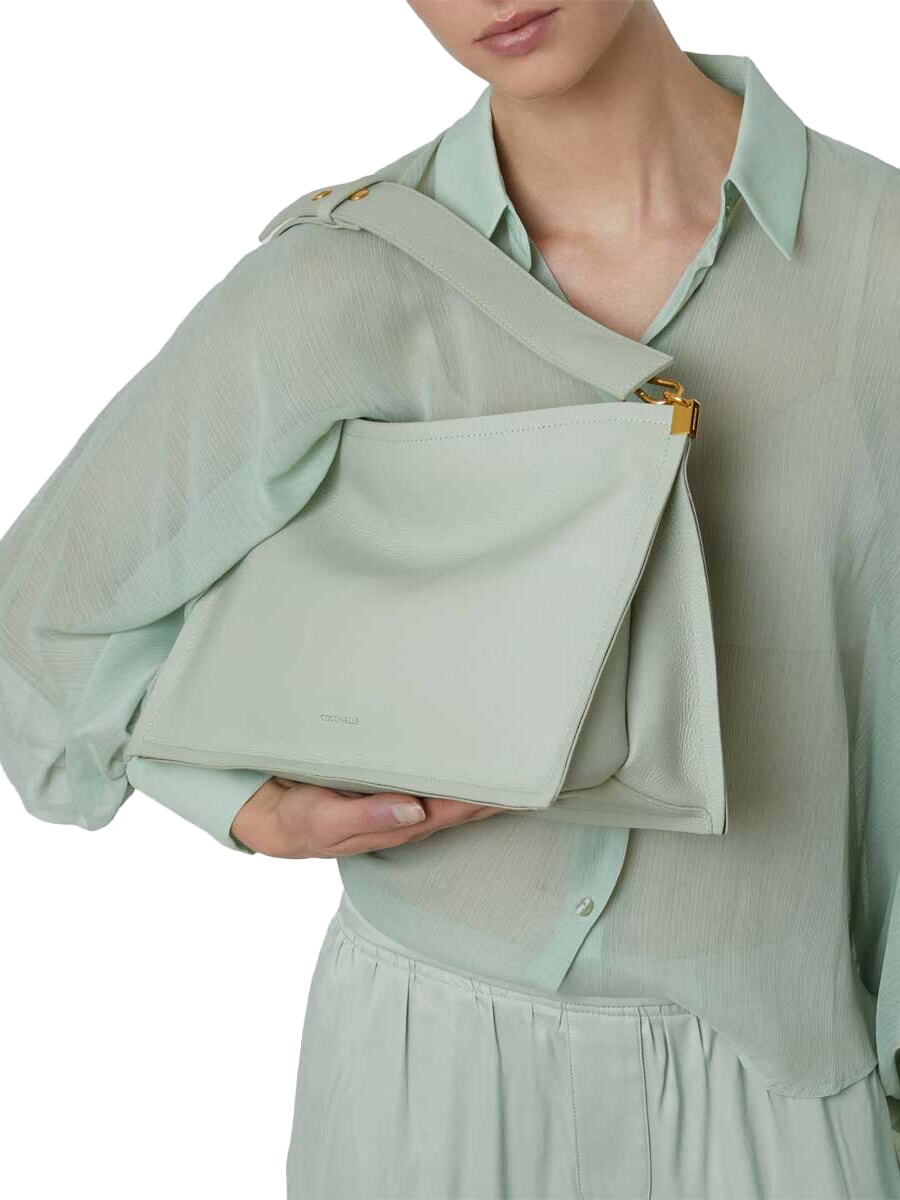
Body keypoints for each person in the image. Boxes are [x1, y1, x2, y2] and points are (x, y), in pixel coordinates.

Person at [1, 2, 899, 1196]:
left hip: (776, 1083)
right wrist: (248, 807)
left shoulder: (879, 266)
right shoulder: (347, 272)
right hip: (422, 1083)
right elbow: (38, 633)